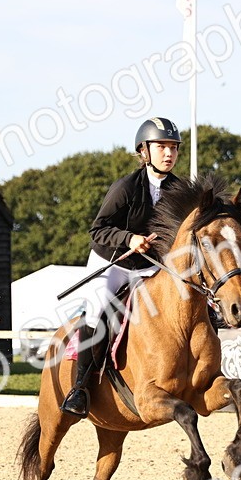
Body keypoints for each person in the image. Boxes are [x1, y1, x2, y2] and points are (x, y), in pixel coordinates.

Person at [60, 116, 183, 418]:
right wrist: (129, 239)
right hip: (113, 261)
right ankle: (81, 387)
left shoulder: (180, 190)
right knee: (99, 306)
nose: (169, 153)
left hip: (152, 267)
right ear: (145, 151)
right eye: (162, 146)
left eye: (173, 147)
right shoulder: (126, 187)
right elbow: (98, 229)